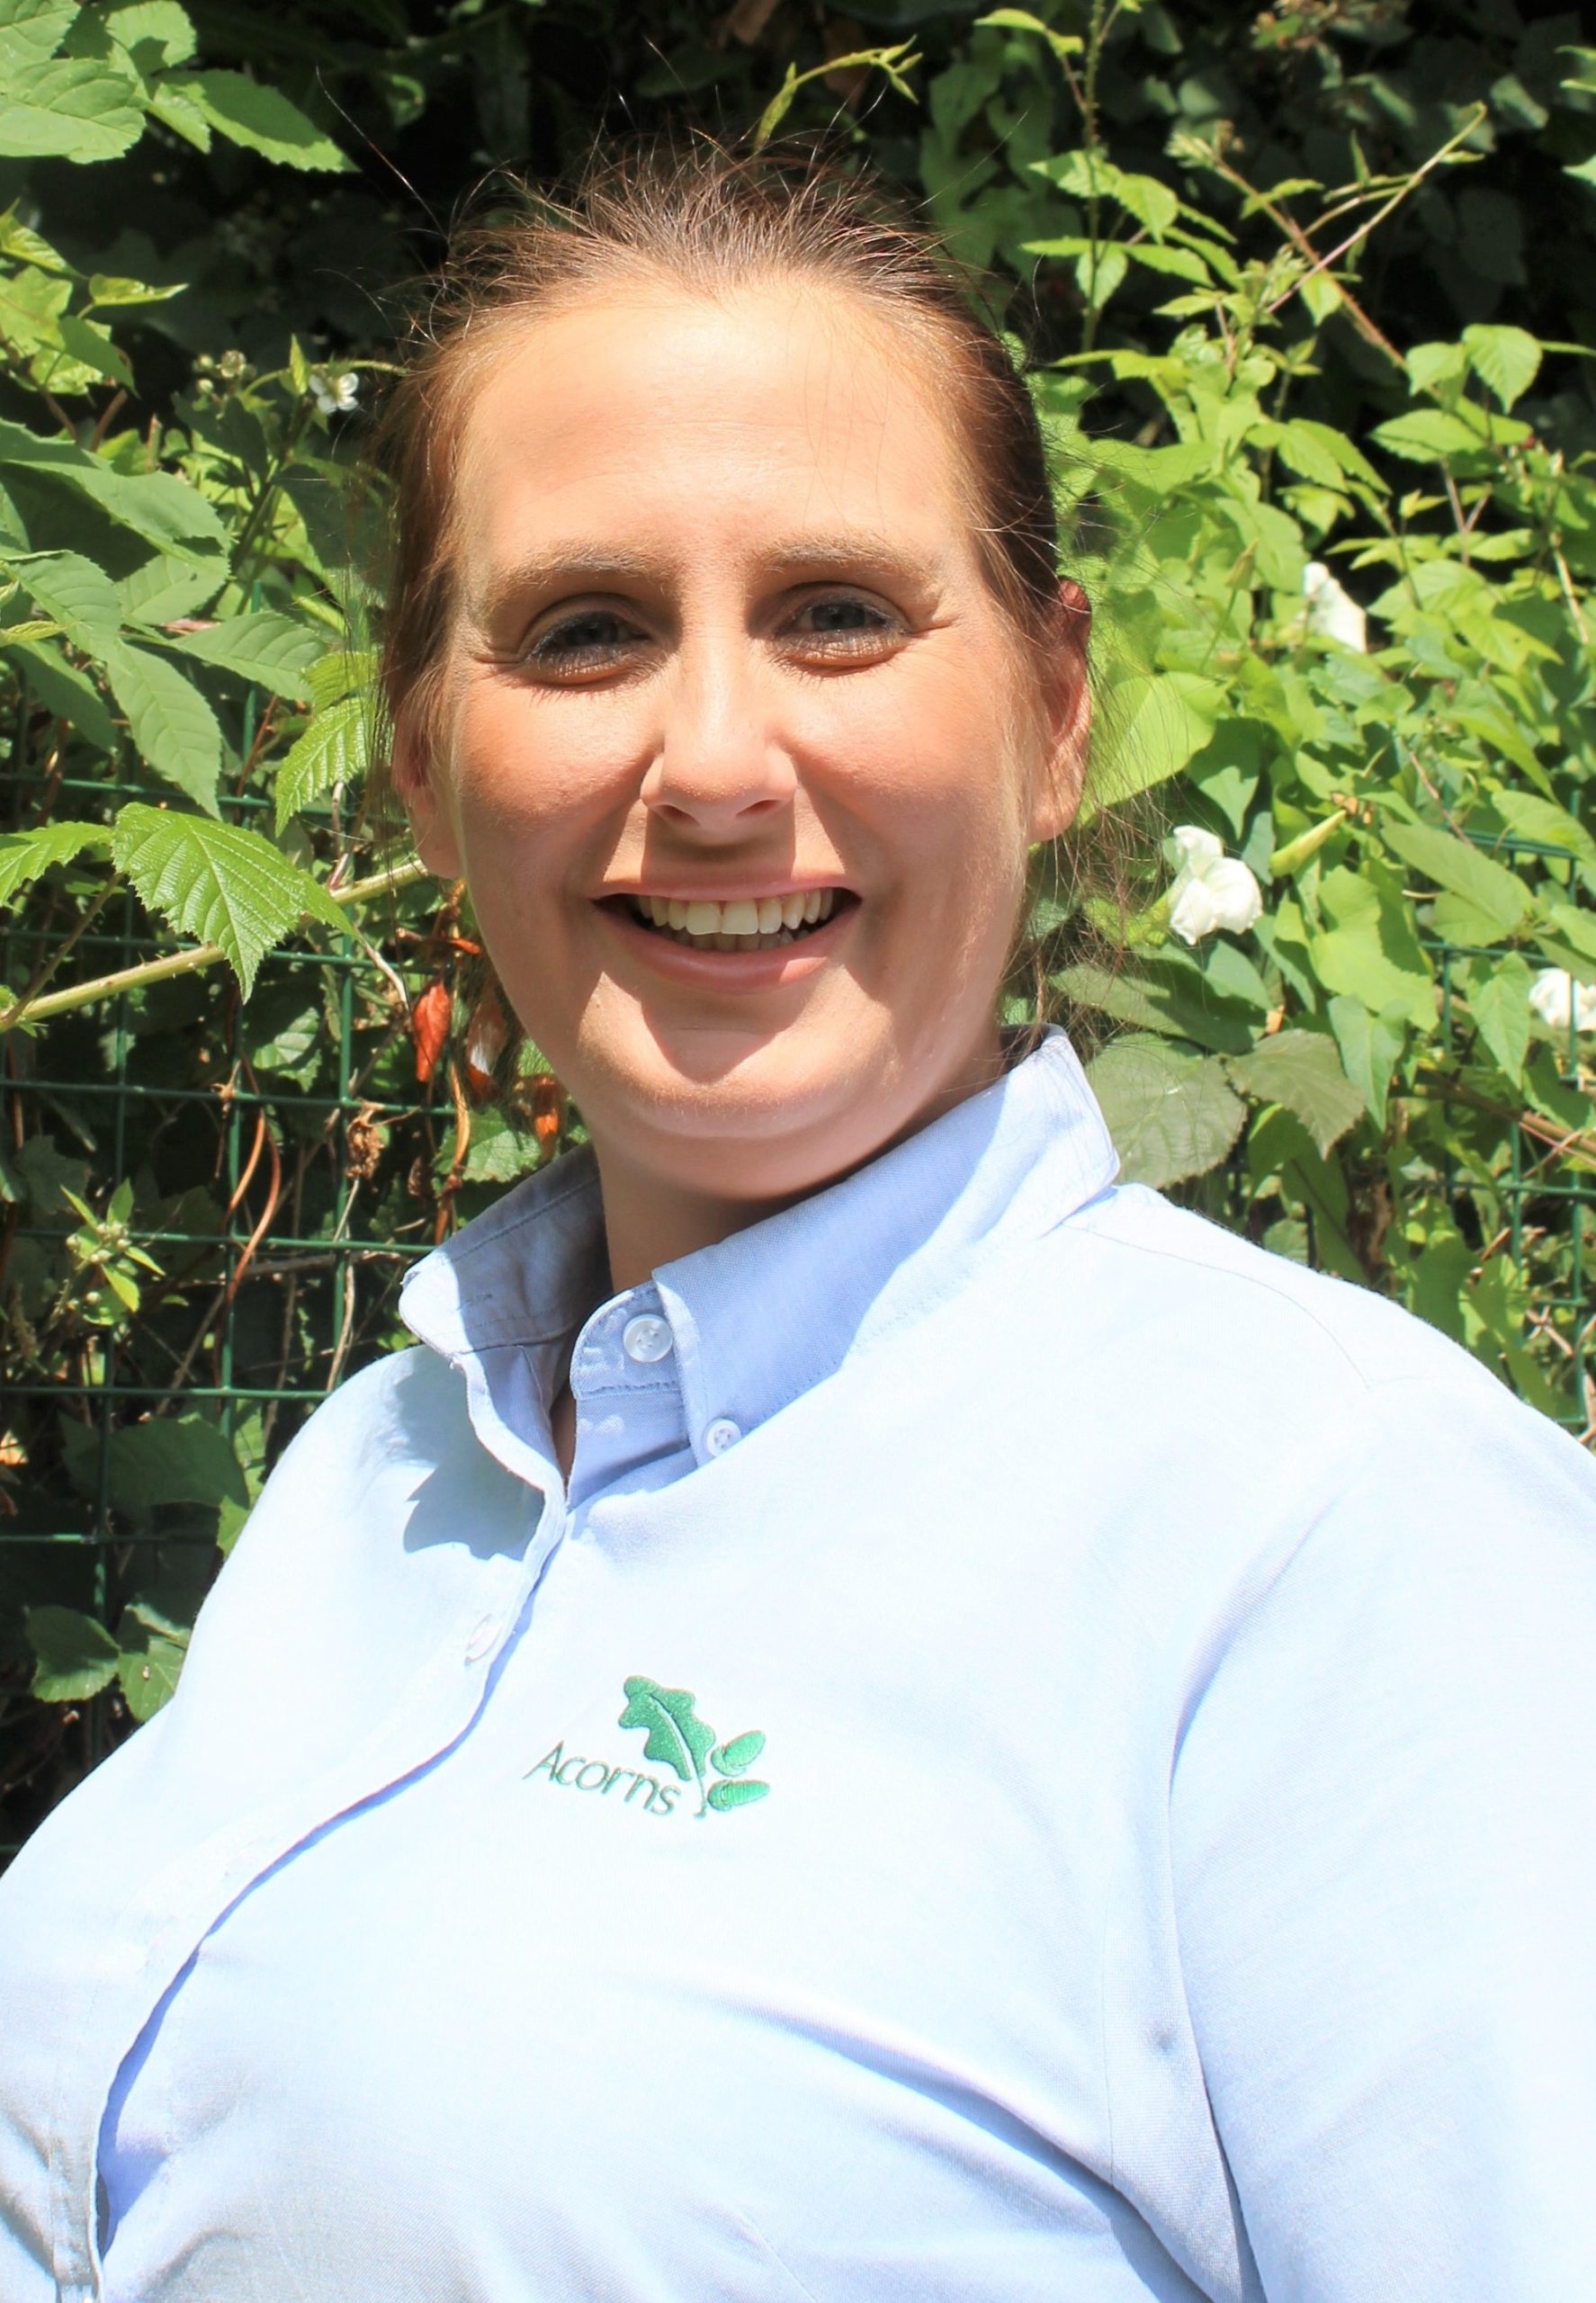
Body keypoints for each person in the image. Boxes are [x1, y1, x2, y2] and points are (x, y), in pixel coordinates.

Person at [2, 141, 1593, 2303]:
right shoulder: (383, 1474)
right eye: (585, 630)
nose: (718, 758)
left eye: (836, 611)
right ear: (422, 768)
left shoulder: (1333, 1539)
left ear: (1049, 713)